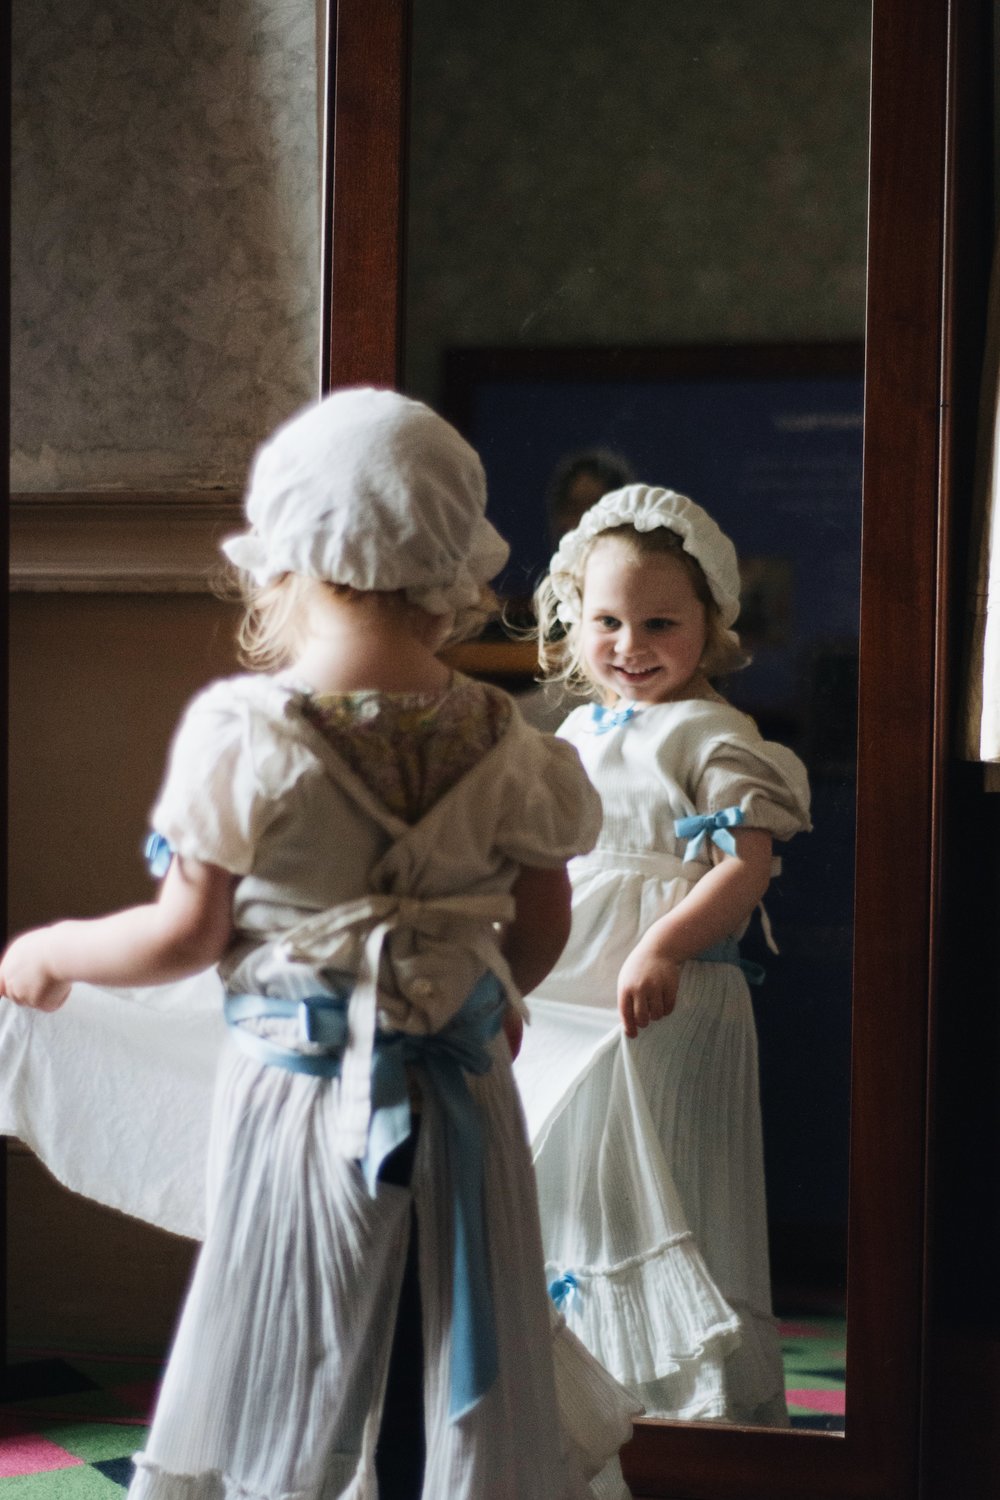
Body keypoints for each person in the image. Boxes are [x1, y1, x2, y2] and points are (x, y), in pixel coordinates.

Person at [0, 389, 640, 1500]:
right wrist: (490, 996)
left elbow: (184, 934)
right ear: (453, 567)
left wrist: (52, 951)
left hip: (301, 1101)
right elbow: (540, 922)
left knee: (297, 1335)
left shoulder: (244, 734)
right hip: (461, 1090)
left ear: (286, 563)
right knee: (445, 1326)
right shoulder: (514, 744)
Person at [513, 483, 812, 1426]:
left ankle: (686, 1412)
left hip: (662, 994)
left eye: (659, 622)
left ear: (710, 624)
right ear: (574, 618)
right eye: (607, 621)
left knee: (664, 1183)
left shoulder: (710, 732)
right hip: (571, 990)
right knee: (573, 1187)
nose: (630, 646)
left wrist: (664, 946)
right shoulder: (573, 732)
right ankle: (577, 1401)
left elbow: (745, 862)